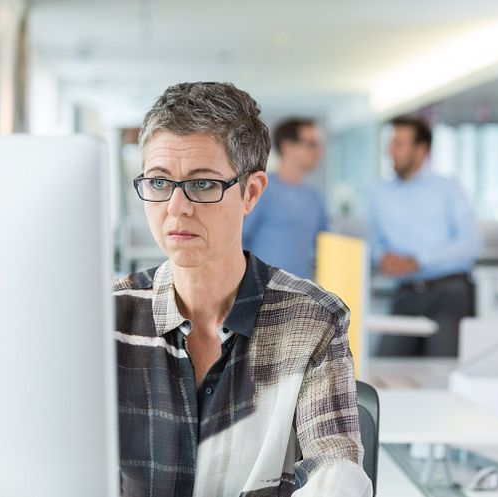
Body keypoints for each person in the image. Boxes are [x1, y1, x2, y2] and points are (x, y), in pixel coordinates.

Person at [114, 82, 371, 497]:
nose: (176, 207)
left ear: (250, 193)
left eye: (202, 185)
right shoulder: (106, 315)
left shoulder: (313, 320)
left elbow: (335, 469)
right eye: (159, 183)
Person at [369, 117, 481, 357]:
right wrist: (382, 257)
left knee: (441, 369)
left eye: (399, 144)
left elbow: (470, 244)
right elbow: (375, 241)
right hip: (405, 292)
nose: (390, 150)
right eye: (391, 143)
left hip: (448, 292)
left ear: (421, 150)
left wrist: (420, 260)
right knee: (385, 367)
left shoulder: (449, 188)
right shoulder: (379, 193)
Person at [242, 117, 327, 280]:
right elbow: (239, 240)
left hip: (301, 294)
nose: (319, 152)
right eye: (312, 144)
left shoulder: (315, 198)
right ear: (288, 147)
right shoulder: (261, 191)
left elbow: (326, 245)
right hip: (262, 291)